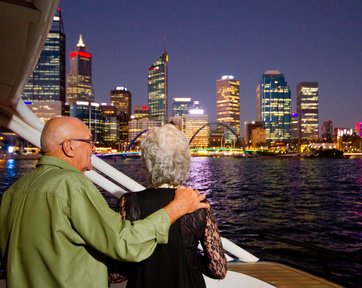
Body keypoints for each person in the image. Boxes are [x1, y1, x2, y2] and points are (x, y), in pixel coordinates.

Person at [0, 116, 208, 288]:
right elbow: (123, 242)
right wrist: (175, 208)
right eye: (89, 142)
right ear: (69, 147)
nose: (94, 148)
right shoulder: (72, 185)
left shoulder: (13, 192)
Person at [111, 124, 227, 287]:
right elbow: (218, 269)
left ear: (148, 161)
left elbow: (115, 275)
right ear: (184, 161)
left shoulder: (128, 203)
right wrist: (192, 258)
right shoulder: (197, 203)